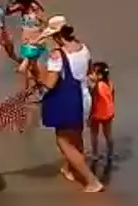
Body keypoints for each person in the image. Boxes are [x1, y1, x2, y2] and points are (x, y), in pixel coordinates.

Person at [32, 17, 103, 192]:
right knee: (76, 136)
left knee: (63, 141)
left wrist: (34, 66)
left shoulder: (57, 55)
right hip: (84, 97)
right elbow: (88, 72)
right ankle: (70, 169)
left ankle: (92, 181)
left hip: (68, 101)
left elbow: (50, 83)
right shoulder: (83, 47)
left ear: (56, 36)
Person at [9, 0, 49, 88]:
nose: (14, 5)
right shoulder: (21, 9)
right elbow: (7, 11)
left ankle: (32, 90)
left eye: (16, 3)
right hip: (26, 43)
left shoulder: (34, 8)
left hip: (35, 43)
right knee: (30, 70)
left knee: (23, 69)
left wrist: (41, 38)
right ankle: (35, 89)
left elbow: (46, 24)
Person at [88, 61, 115, 159]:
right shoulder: (110, 84)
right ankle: (110, 153)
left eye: (92, 73)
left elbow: (92, 100)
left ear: (99, 76)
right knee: (108, 134)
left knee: (94, 134)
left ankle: (95, 154)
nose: (90, 75)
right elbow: (112, 97)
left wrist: (89, 115)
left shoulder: (96, 86)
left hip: (96, 113)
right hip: (108, 113)